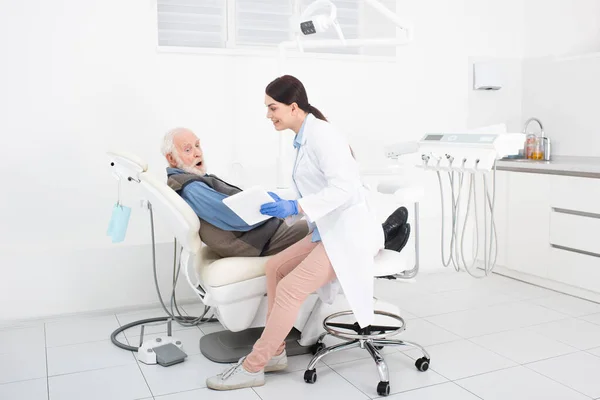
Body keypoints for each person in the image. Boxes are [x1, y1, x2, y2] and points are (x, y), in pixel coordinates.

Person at [206, 75, 411, 391]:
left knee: (289, 288)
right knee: (275, 267)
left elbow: (343, 189)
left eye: (272, 108)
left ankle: (254, 365)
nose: (268, 115)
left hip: (349, 234)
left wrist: (296, 206)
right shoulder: (304, 137)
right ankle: (275, 353)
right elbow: (313, 185)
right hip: (330, 228)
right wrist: (283, 199)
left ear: (292, 106)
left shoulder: (322, 136)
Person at [162, 128, 410, 259]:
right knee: (329, 226)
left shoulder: (191, 180)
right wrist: (267, 204)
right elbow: (234, 215)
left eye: (197, 145)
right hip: (258, 241)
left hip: (259, 234)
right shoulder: (192, 187)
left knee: (326, 217)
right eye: (188, 149)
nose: (197, 152)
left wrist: (275, 201)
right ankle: (383, 240)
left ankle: (378, 234)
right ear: (171, 158)